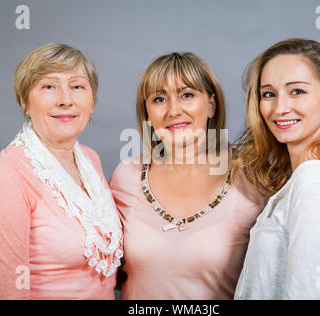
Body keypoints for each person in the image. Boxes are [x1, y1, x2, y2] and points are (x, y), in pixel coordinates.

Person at [109, 52, 264, 299]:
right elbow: (105, 272)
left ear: (211, 105)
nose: (173, 110)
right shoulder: (126, 175)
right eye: (159, 99)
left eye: (187, 95)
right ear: (147, 113)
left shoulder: (253, 176)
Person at [0, 43, 123, 300]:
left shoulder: (90, 159)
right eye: (49, 86)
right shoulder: (6, 174)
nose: (66, 100)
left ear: (92, 101)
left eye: (77, 87)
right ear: (24, 101)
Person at [233, 38, 320, 300]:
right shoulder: (302, 180)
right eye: (268, 94)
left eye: (297, 91)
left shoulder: (316, 181)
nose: (280, 108)